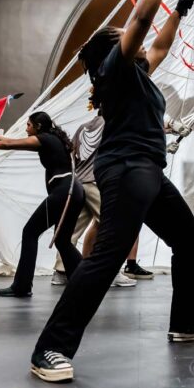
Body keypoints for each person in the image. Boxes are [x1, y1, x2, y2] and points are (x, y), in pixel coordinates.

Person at [28, 0, 194, 384]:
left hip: (147, 169)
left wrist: (180, 11)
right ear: (114, 50)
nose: (139, 41)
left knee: (187, 237)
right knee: (108, 256)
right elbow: (140, 22)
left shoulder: (139, 74)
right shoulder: (113, 70)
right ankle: (49, 348)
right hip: (127, 168)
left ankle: (186, 323)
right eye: (126, 38)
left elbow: (161, 43)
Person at [0, 112, 84, 298]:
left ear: (38, 127)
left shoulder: (43, 139)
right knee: (62, 241)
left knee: (30, 232)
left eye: (28, 125)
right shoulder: (53, 139)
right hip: (75, 191)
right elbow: (11, 140)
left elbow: (10, 144)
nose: (26, 129)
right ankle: (86, 281)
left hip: (63, 192)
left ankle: (22, 286)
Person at [50, 114, 137, 289]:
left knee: (73, 230)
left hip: (79, 182)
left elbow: (72, 154)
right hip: (96, 182)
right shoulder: (114, 123)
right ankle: (111, 272)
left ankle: (61, 272)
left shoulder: (83, 127)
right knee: (114, 225)